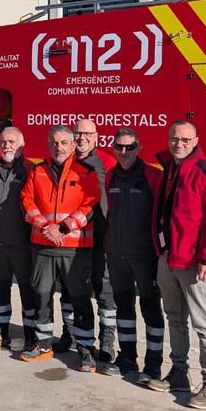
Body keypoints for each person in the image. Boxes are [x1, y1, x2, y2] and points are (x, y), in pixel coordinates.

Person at [145, 120, 206, 410]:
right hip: (169, 257)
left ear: (196, 141)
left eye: (185, 139)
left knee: (204, 323)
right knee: (174, 318)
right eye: (174, 138)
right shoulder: (170, 170)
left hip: (196, 263)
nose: (179, 144)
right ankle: (179, 373)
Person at [19, 126, 100, 371]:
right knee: (41, 296)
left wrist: (63, 228)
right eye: (54, 143)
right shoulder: (38, 171)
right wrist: (45, 227)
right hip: (43, 246)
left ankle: (85, 348)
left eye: (64, 142)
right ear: (48, 145)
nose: (59, 147)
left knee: (79, 298)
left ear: (73, 145)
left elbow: (90, 205)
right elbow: (26, 201)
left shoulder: (86, 171)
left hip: (74, 247)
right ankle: (43, 344)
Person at [101, 127, 164, 379]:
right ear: (113, 148)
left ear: (139, 148)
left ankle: (153, 364)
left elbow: (161, 216)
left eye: (130, 147)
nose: (124, 152)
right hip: (117, 255)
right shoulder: (111, 176)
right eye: (119, 147)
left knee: (150, 308)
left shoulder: (152, 176)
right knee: (124, 307)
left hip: (145, 256)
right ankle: (127, 358)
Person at [0, 127, 39, 351]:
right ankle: (1, 332)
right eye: (3, 142)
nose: (7, 146)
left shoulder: (30, 170)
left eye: (12, 142)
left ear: (22, 145)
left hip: (22, 243)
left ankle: (30, 336)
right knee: (0, 288)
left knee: (27, 289)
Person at [72, 119, 119, 363]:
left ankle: (107, 339)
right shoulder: (66, 162)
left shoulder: (108, 163)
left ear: (96, 136)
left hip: (101, 237)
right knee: (74, 290)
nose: (82, 138)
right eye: (78, 133)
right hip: (74, 238)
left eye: (87, 133)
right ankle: (74, 336)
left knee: (104, 289)